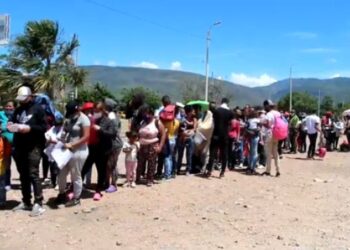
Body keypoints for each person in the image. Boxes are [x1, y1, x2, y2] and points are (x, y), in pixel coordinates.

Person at [10, 86, 47, 216]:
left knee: (33, 174)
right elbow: (12, 121)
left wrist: (29, 128)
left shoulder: (38, 109)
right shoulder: (18, 110)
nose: (22, 102)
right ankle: (26, 201)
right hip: (20, 146)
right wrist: (11, 126)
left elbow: (44, 127)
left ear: (31, 97)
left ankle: (39, 203)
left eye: (24, 99)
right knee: (23, 175)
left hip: (34, 146)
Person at [56, 100, 90, 207]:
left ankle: (76, 198)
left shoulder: (84, 119)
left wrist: (73, 144)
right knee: (61, 173)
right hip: (66, 150)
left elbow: (86, 137)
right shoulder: (69, 118)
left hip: (79, 151)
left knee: (75, 175)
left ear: (78, 109)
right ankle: (62, 194)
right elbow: (66, 130)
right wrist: (61, 136)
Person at [90, 101, 117, 200]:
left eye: (97, 111)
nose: (95, 112)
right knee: (85, 168)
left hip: (104, 150)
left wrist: (100, 130)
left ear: (102, 110)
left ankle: (98, 190)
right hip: (92, 148)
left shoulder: (108, 121)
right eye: (94, 111)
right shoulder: (92, 120)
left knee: (101, 170)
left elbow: (112, 134)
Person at [136, 105, 166, 187]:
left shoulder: (157, 122)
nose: (147, 116)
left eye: (148, 114)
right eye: (145, 114)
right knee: (140, 163)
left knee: (151, 163)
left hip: (152, 145)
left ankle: (150, 179)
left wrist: (160, 146)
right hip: (142, 146)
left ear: (152, 114)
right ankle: (138, 178)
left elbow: (163, 134)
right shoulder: (142, 122)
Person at [206, 98, 234, 178]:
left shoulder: (216, 111)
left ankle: (209, 171)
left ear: (221, 102)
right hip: (225, 135)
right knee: (224, 154)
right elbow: (231, 123)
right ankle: (222, 172)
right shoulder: (230, 113)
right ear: (227, 103)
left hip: (216, 134)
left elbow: (213, 122)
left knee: (212, 153)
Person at [105, 99, 123, 193]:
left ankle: (114, 184)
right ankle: (108, 182)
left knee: (112, 164)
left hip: (115, 144)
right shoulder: (111, 115)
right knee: (109, 164)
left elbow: (114, 131)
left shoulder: (112, 116)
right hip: (111, 144)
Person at [44, 111, 64, 189]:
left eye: (59, 124)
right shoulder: (53, 129)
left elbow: (64, 139)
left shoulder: (64, 129)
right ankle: (53, 182)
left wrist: (55, 141)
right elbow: (47, 136)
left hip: (60, 151)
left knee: (58, 168)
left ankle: (59, 183)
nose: (57, 125)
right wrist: (49, 140)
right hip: (51, 151)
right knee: (52, 168)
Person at [261, 100, 281, 177]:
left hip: (270, 134)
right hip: (277, 134)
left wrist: (262, 123)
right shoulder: (278, 113)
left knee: (268, 153)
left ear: (267, 106)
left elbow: (267, 124)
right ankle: (278, 170)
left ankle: (268, 171)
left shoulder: (269, 114)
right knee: (276, 153)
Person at [177, 105, 197, 175]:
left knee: (189, 154)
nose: (194, 112)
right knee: (180, 154)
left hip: (190, 138)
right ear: (189, 112)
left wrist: (187, 131)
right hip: (182, 138)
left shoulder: (194, 119)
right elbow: (180, 129)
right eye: (192, 111)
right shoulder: (182, 119)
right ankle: (178, 169)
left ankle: (188, 169)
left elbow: (194, 129)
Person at [80, 102, 97, 187]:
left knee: (87, 164)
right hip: (86, 143)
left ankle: (87, 182)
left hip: (89, 143)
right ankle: (85, 182)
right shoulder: (90, 118)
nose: (89, 111)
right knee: (85, 164)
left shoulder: (90, 119)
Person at [3, 100, 15, 191]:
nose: (8, 108)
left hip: (17, 145)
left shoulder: (18, 115)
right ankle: (7, 183)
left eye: (10, 106)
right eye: (6, 106)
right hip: (4, 145)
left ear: (14, 107)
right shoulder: (0, 115)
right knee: (6, 164)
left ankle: (26, 183)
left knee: (22, 165)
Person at [245, 109, 261, 175]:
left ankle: (249, 166)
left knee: (250, 152)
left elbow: (246, 127)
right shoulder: (257, 120)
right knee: (255, 153)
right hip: (255, 136)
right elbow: (260, 127)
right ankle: (253, 168)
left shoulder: (248, 120)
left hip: (249, 137)